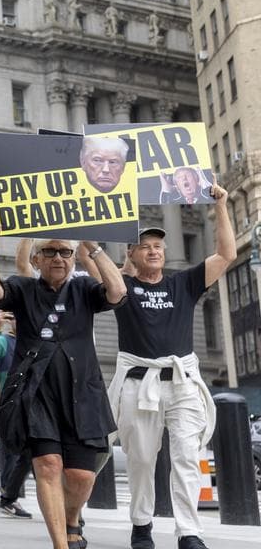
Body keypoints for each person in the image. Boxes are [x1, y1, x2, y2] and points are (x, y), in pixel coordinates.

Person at [0, 222, 127, 549]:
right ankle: (61, 544)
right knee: (48, 465)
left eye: (65, 252)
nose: (58, 257)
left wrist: (92, 244)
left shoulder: (85, 288)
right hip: (37, 395)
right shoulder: (24, 288)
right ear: (36, 259)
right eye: (49, 251)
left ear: (74, 258)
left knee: (81, 476)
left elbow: (117, 293)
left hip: (82, 395)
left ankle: (72, 518)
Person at [111, 190, 234, 549]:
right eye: (145, 245)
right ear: (131, 253)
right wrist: (99, 250)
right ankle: (141, 524)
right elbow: (94, 264)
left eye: (158, 246)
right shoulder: (122, 288)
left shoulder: (183, 283)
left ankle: (188, 532)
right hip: (139, 385)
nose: (153, 250)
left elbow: (227, 254)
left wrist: (221, 205)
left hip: (181, 384)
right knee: (142, 460)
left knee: (186, 457)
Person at [0, 311, 34, 520]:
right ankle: (8, 496)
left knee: (31, 454)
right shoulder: (5, 341)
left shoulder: (37, 339)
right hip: (12, 406)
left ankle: (9, 497)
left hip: (36, 404)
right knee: (13, 454)